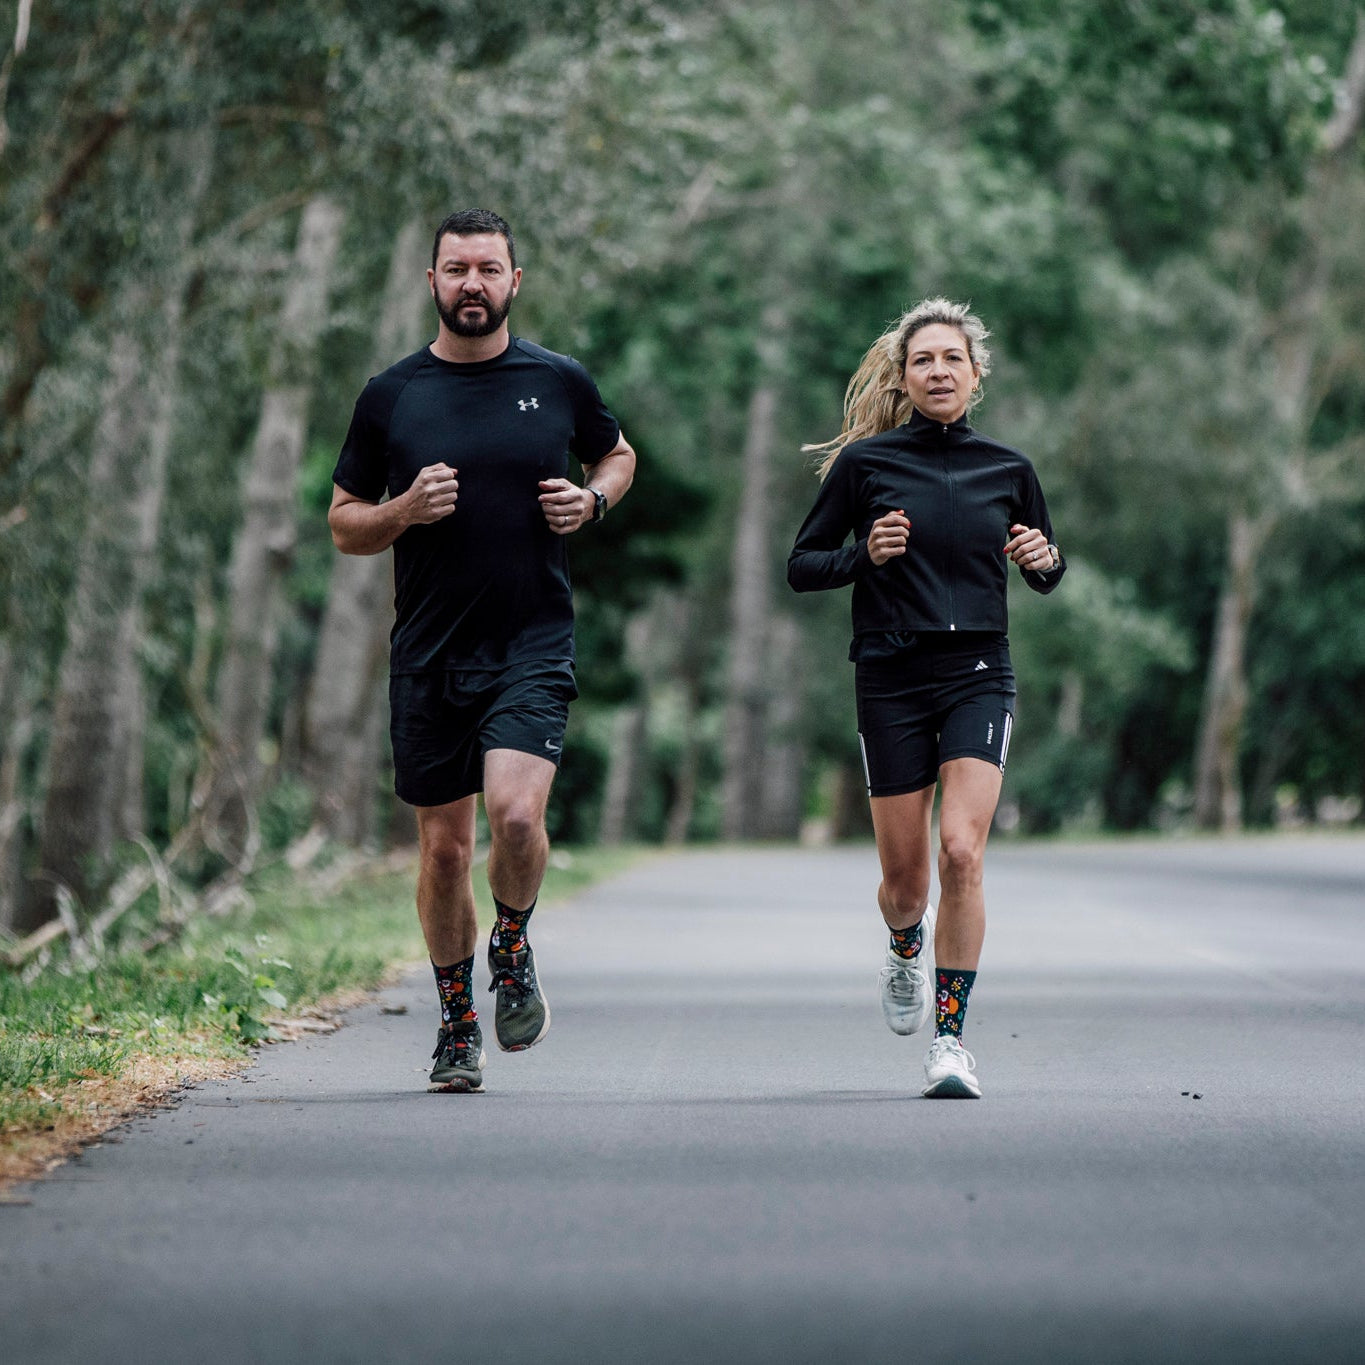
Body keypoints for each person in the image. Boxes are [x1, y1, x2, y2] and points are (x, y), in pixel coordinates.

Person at [329, 208, 635, 1093]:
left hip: (531, 638)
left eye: (489, 269)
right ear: (431, 281)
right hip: (428, 650)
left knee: (514, 817)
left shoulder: (557, 379)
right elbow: (343, 523)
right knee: (443, 852)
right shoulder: (392, 395)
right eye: (456, 269)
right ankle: (457, 1021)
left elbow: (615, 456)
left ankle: (512, 938)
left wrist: (594, 502)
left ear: (514, 281)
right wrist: (401, 512)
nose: (473, 283)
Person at [787, 298, 1064, 1098]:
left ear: (975, 376)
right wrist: (864, 555)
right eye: (922, 360)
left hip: (979, 672)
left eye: (951, 358)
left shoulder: (1008, 469)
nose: (937, 370)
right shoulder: (866, 467)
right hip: (890, 675)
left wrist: (1043, 558)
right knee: (905, 882)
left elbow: (1044, 568)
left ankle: (949, 1039)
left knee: (962, 851)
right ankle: (905, 943)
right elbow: (803, 562)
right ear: (903, 378)